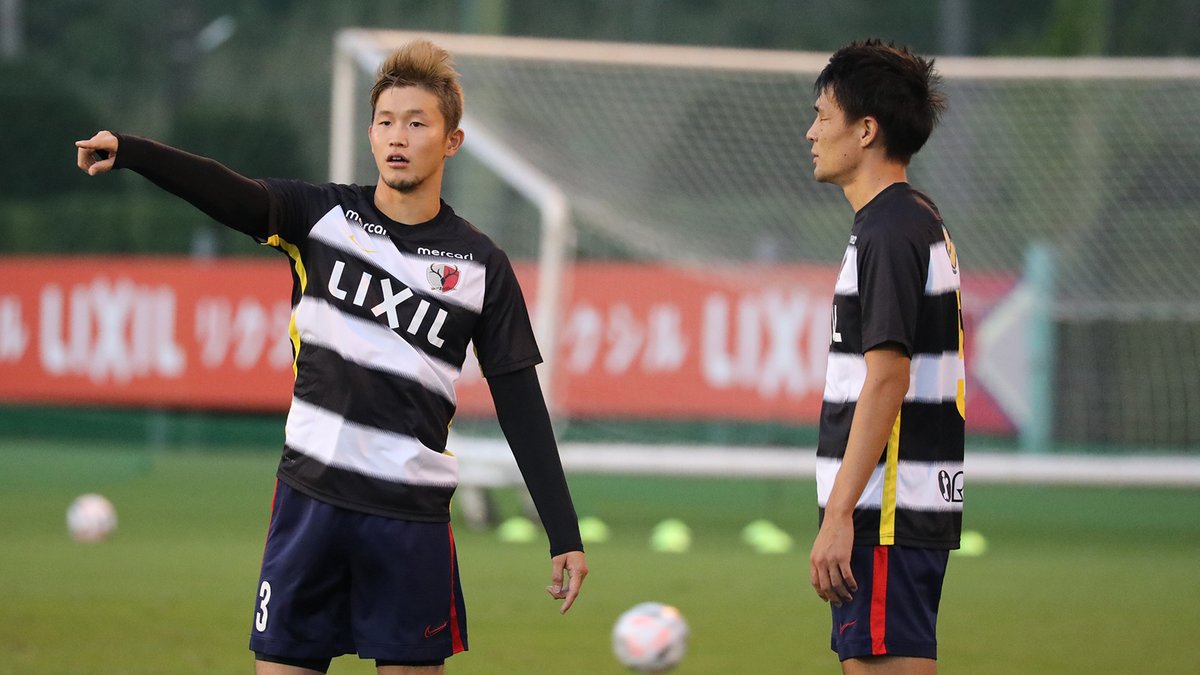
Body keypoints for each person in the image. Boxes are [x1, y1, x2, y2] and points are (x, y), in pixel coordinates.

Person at [76, 38, 587, 675]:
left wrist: (562, 533)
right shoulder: (320, 217)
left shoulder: (482, 265)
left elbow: (520, 404)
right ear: (371, 135)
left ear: (451, 141)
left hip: (409, 522)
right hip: (308, 504)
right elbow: (227, 192)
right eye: (385, 122)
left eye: (417, 123)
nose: (397, 136)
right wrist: (134, 152)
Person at [805, 40, 963, 675]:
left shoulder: (889, 231)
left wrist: (841, 514)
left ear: (865, 130)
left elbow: (887, 378)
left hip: (885, 516)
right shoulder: (907, 219)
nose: (811, 132)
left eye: (822, 115)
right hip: (892, 514)